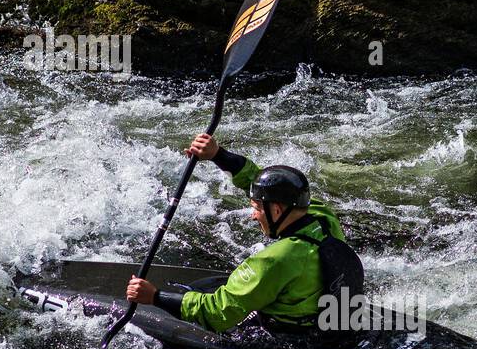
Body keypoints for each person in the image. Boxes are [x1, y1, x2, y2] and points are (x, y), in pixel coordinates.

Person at [126, 133, 363, 334]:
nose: (253, 216)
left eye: (256, 208)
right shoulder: (323, 217)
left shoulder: (276, 259)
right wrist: (217, 154)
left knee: (207, 294)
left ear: (277, 209)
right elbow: (258, 180)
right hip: (332, 324)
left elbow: (219, 312)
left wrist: (155, 297)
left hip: (293, 340)